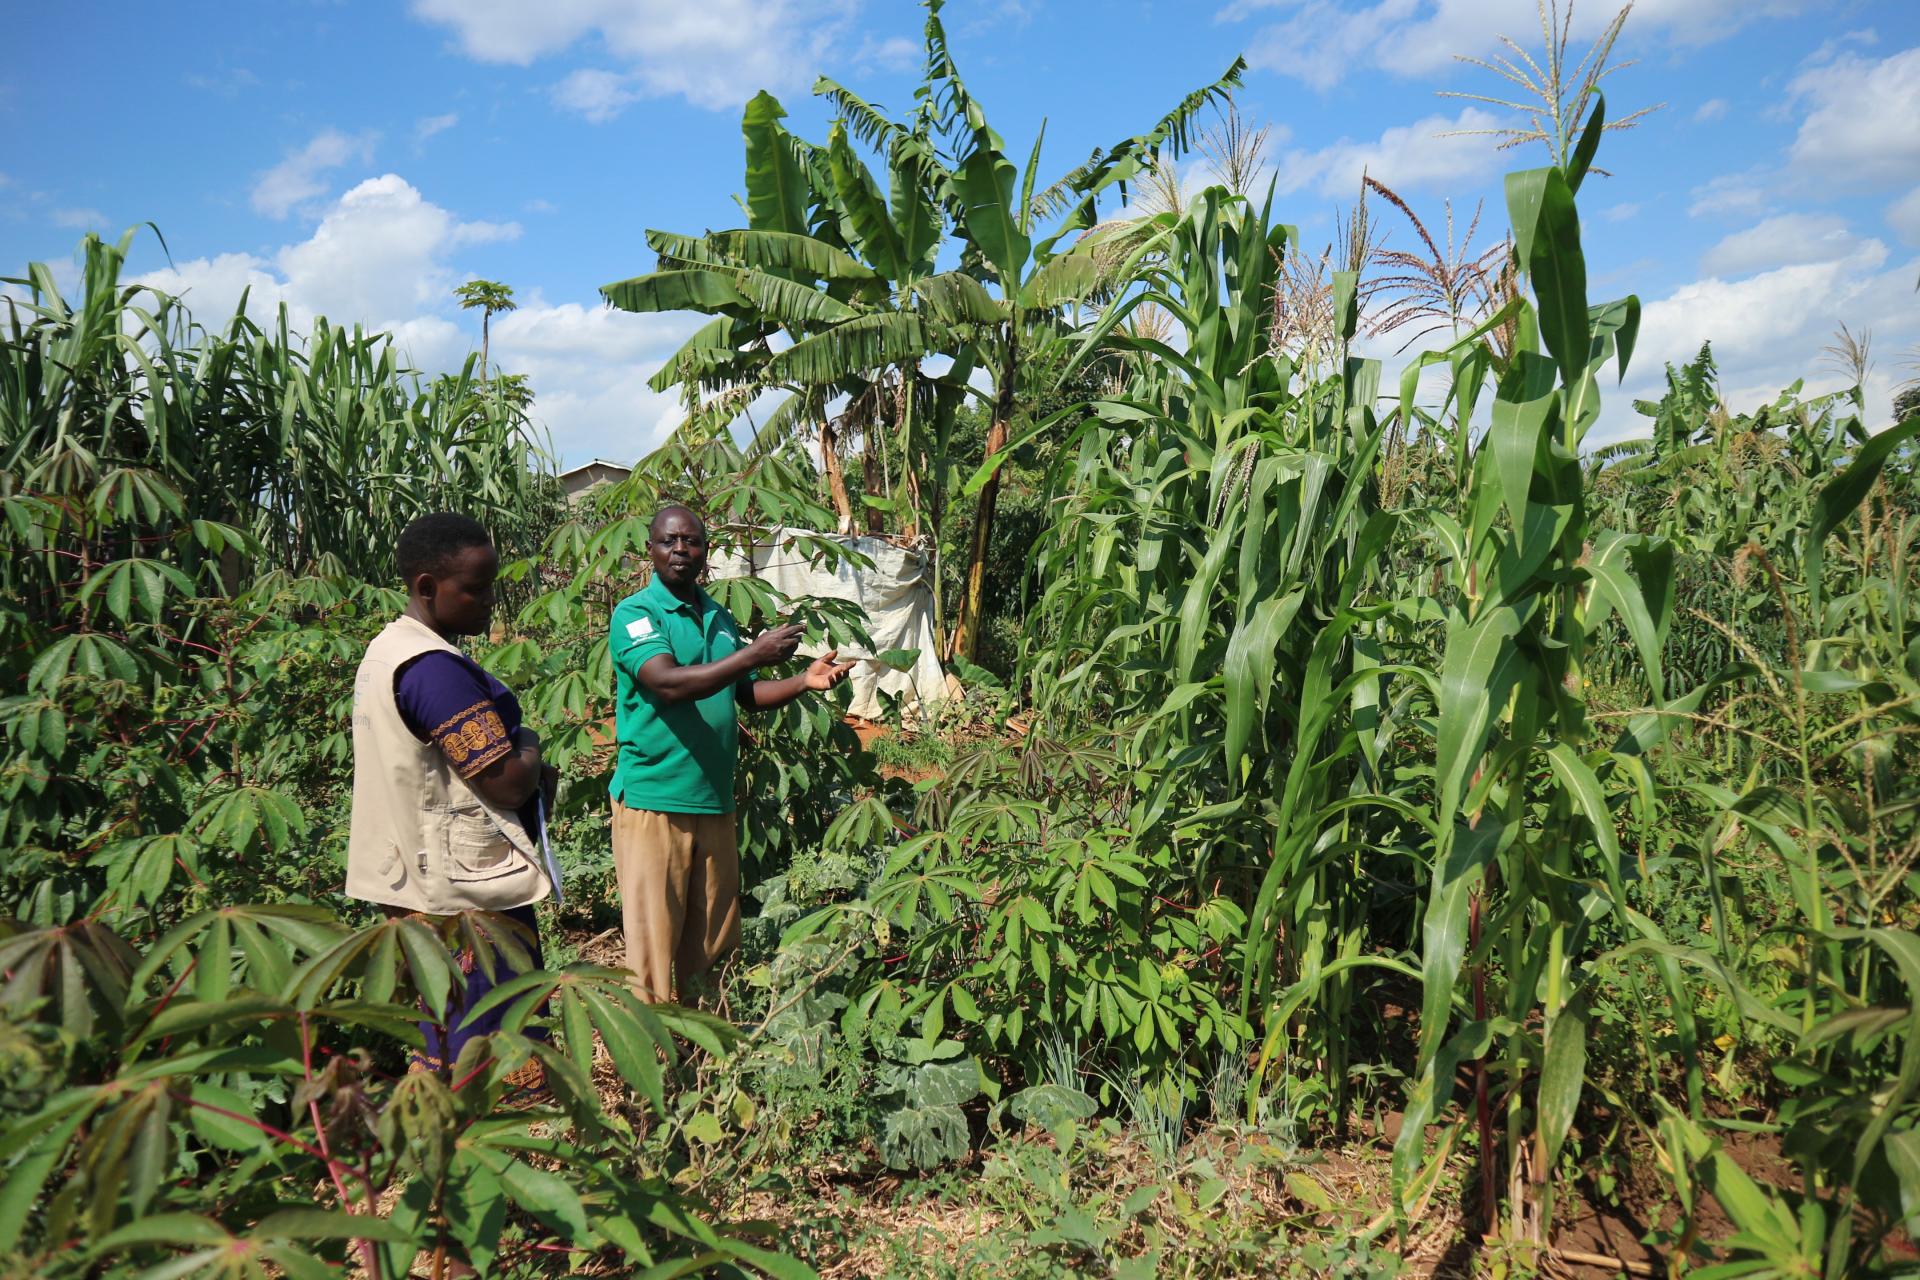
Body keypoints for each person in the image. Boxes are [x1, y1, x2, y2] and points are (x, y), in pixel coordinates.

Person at [609, 505, 855, 1003]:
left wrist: (802, 682)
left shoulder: (718, 616)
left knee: (716, 946)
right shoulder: (636, 614)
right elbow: (668, 682)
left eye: (692, 542)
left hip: (713, 802)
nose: (681, 551)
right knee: (653, 954)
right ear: (650, 551)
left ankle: (714, 1060)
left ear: (706, 550)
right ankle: (652, 1068)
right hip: (655, 802)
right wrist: (754, 653)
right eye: (668, 542)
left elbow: (744, 692)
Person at [345, 512, 559, 1076]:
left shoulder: (388, 650)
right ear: (426, 587)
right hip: (465, 890)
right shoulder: (433, 671)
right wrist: (531, 744)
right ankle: (479, 1136)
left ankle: (442, 1130)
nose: (490, 600)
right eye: (476, 588)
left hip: (417, 868)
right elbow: (508, 781)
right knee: (485, 1034)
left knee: (444, 1019)